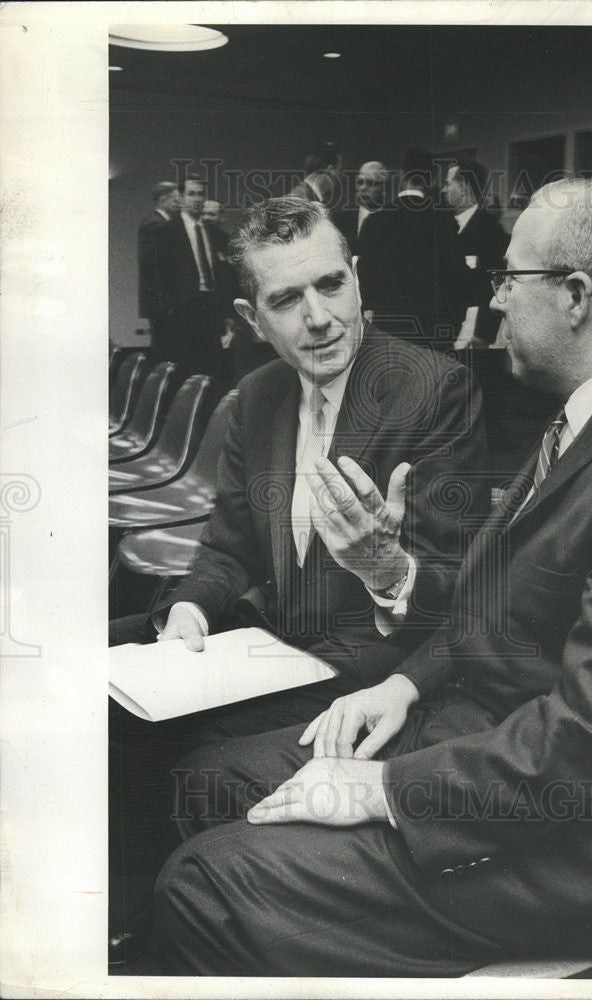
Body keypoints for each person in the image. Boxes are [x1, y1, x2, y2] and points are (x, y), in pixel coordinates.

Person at [153, 179, 592, 977]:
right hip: (482, 739)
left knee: (202, 885)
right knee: (211, 782)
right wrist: (403, 686)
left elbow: (590, 748)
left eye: (510, 278)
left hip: (577, 853)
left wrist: (382, 790)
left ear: (575, 297)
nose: (496, 300)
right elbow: (493, 606)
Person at [108, 196, 489, 962]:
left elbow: (458, 594)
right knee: (102, 683)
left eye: (331, 286)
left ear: (356, 278)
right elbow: (226, 550)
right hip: (278, 643)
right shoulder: (256, 398)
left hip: (379, 666)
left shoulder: (433, 388)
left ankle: (170, 932)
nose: (318, 318)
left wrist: (386, 566)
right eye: (287, 299)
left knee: (190, 755)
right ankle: (128, 919)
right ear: (254, 318)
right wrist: (187, 610)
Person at [357, 148, 469, 350]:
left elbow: (365, 282)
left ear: (401, 174)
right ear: (432, 180)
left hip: (388, 334)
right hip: (434, 335)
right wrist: (451, 330)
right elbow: (459, 281)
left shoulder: (375, 222)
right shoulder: (445, 221)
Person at [153, 174, 238, 389]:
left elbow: (224, 276)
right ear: (181, 197)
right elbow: (160, 275)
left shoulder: (214, 233)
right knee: (184, 371)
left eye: (201, 194)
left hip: (211, 307)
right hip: (183, 309)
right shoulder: (167, 231)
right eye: (191, 194)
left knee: (213, 370)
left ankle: (211, 419)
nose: (197, 199)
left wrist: (227, 312)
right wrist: (169, 310)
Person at [443, 156, 508, 346]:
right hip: (445, 326)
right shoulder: (442, 227)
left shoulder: (490, 229)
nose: (444, 189)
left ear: (463, 187)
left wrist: (483, 334)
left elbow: (495, 284)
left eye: (448, 184)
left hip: (472, 331)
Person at [137, 180, 180, 360]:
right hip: (161, 299)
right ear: (163, 199)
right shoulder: (155, 223)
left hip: (163, 298)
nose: (179, 203)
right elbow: (154, 263)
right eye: (175, 199)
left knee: (168, 344)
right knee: (164, 347)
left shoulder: (161, 222)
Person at [334, 160, 388, 255]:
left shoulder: (393, 221)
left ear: (384, 188)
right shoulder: (339, 221)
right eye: (360, 182)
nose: (363, 188)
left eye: (371, 183)